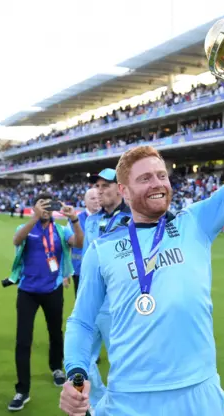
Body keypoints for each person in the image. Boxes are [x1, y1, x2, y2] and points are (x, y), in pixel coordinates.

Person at [60, 81, 224, 416]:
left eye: (161, 175)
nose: (158, 183)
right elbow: (83, 322)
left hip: (198, 393)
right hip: (130, 398)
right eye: (145, 178)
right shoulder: (103, 248)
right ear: (124, 191)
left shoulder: (195, 223)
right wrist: (75, 371)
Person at [7, 193, 84, 412]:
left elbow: (79, 242)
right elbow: (16, 240)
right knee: (23, 340)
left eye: (49, 206)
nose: (46, 210)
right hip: (27, 292)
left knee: (55, 332)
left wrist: (75, 220)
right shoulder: (27, 227)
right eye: (42, 206)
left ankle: (56, 368)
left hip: (52, 289)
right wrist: (33, 218)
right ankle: (22, 391)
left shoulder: (60, 230)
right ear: (35, 207)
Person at [78, 167, 133, 409]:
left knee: (123, 362)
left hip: (119, 304)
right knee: (81, 360)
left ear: (120, 188)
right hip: (92, 303)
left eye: (105, 186)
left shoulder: (133, 219)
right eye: (97, 187)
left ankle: (125, 406)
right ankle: (100, 404)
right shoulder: (92, 221)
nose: (99, 192)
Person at [71, 188, 100, 298]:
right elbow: (68, 244)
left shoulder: (108, 217)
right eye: (92, 198)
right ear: (85, 202)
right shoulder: (75, 220)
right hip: (80, 270)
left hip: (103, 270)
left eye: (98, 197)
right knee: (82, 304)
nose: (96, 201)